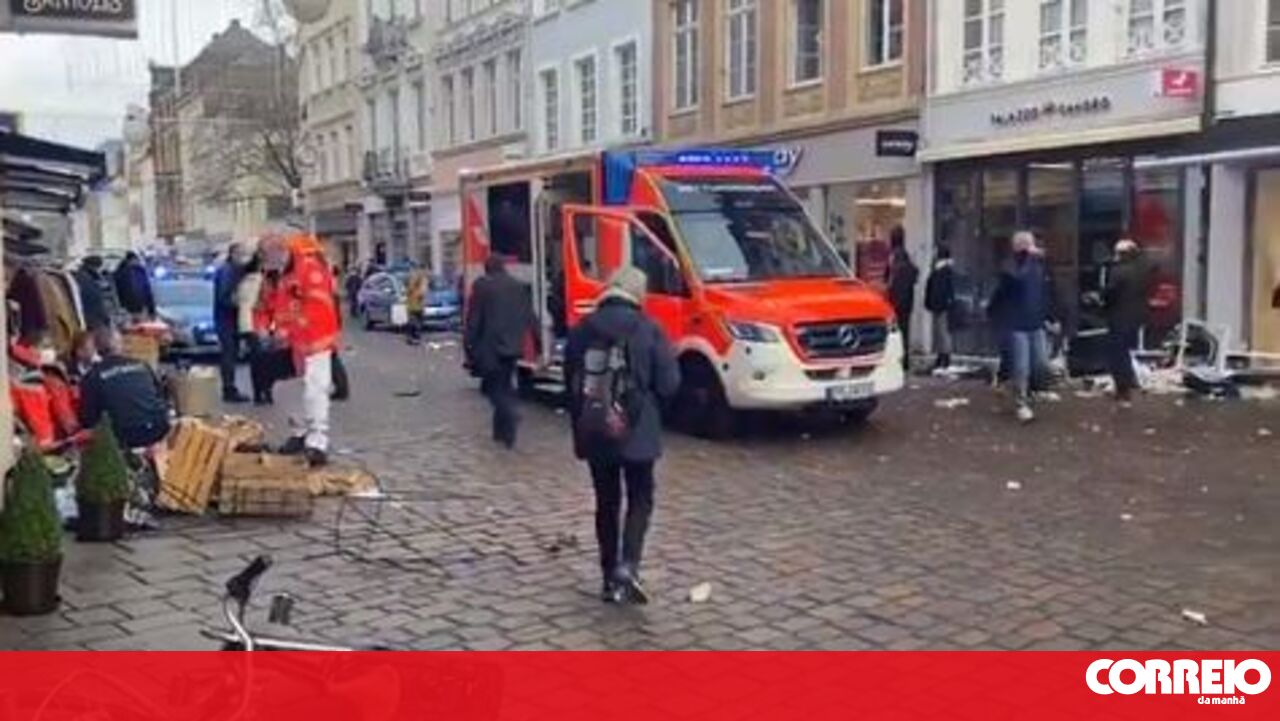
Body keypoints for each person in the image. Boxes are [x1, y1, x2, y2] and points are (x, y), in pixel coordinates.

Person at [566, 267, 680, 604]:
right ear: (638, 294)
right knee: (640, 497)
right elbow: (669, 384)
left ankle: (607, 576)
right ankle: (628, 566)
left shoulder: (582, 329)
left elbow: (570, 382)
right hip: (638, 431)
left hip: (595, 428)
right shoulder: (648, 329)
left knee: (606, 502)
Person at [259, 234, 342, 467]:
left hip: (316, 339)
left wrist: (286, 331)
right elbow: (265, 304)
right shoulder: (275, 274)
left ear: (279, 252)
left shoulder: (309, 268)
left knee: (315, 390)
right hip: (293, 344)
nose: (266, 264)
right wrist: (263, 328)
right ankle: (300, 432)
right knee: (285, 390)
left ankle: (317, 442)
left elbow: (317, 306)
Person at [464, 255, 539, 449]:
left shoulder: (482, 287)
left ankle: (511, 413)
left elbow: (474, 319)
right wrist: (538, 344)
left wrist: (469, 347)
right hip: (513, 346)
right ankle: (501, 434)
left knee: (493, 389)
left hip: (490, 347)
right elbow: (530, 317)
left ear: (487, 269)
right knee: (504, 384)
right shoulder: (518, 286)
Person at [988, 231, 1055, 423]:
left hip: (1035, 322)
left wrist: (1050, 316)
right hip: (1016, 323)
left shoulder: (1039, 267)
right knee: (1021, 366)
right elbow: (1014, 280)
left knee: (1041, 363)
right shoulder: (1010, 266)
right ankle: (1021, 404)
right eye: (1028, 244)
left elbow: (1045, 292)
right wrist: (1028, 259)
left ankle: (1010, 385)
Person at [79, 326, 170, 449]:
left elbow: (88, 419)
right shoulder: (142, 365)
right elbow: (161, 396)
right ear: (120, 345)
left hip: (123, 437)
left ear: (96, 349)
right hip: (158, 428)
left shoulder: (91, 377)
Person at [1102, 239, 1150, 405]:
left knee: (1117, 354)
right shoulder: (1142, 270)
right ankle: (1129, 382)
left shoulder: (1118, 271)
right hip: (1136, 317)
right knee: (1126, 351)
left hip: (1119, 317)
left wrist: (1100, 299)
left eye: (1117, 253)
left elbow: (1110, 293)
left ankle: (1122, 389)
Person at [214, 244, 250, 403]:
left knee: (231, 354)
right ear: (233, 254)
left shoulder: (232, 270)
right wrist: (243, 304)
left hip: (228, 320)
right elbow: (224, 297)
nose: (244, 257)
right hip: (227, 320)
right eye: (241, 254)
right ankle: (229, 389)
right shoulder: (228, 271)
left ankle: (230, 388)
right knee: (229, 354)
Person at [885, 226, 919, 372]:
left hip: (896, 300)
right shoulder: (905, 256)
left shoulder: (893, 257)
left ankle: (897, 359)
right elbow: (915, 273)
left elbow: (887, 277)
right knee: (905, 330)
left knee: (894, 332)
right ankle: (905, 360)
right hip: (907, 300)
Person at [924, 246, 958, 372]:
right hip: (940, 306)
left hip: (941, 306)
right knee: (941, 332)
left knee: (943, 332)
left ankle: (944, 357)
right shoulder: (942, 270)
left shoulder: (942, 271)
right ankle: (942, 356)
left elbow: (940, 289)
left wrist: (933, 303)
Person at [113, 251, 156, 320]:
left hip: (134, 304)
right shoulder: (125, 272)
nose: (136, 262)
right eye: (135, 260)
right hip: (132, 304)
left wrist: (151, 309)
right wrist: (151, 309)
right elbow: (146, 290)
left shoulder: (138, 271)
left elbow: (147, 289)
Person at [73, 256, 112, 331]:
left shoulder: (82, 276)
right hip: (92, 320)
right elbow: (95, 301)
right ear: (93, 266)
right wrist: (105, 318)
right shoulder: (86, 279)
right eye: (98, 267)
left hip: (86, 318)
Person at [405, 266, 427, 344]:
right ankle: (412, 337)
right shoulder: (416, 279)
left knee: (417, 322)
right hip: (413, 305)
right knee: (414, 322)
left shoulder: (422, 279)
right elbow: (410, 290)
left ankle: (415, 337)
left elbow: (423, 292)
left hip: (418, 305)